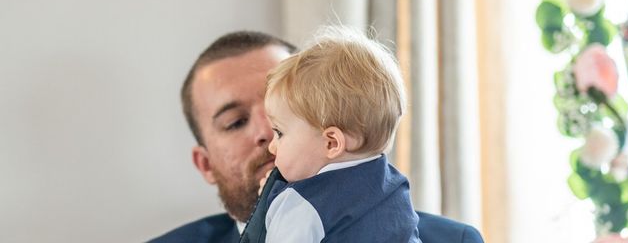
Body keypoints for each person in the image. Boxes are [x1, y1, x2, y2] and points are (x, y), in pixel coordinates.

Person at [149, 30, 484, 243]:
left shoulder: (454, 240)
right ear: (205, 164)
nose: (267, 132)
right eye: (236, 122)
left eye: (286, 113)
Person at [248, 26, 420, 242]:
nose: (272, 146)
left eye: (280, 133)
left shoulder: (301, 204)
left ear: (331, 143)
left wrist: (269, 206)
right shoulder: (396, 189)